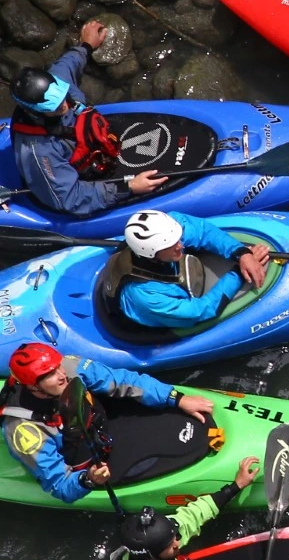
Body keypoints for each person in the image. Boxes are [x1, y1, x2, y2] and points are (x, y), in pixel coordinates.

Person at [2, 342, 215, 504]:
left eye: (57, 366)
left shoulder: (68, 366)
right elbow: (59, 485)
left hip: (101, 426)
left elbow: (123, 380)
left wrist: (175, 398)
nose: (61, 375)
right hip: (89, 462)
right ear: (33, 386)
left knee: (185, 424)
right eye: (49, 374)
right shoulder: (24, 431)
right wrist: (88, 479)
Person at [10, 20, 166, 217]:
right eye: (55, 107)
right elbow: (69, 198)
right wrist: (129, 187)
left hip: (96, 147)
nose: (64, 106)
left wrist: (86, 45)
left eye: (62, 97)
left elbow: (68, 64)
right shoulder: (39, 153)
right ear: (36, 112)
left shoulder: (57, 84)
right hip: (77, 183)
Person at [109, 454, 261, 560]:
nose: (177, 542)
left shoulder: (160, 536)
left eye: (174, 537)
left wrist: (236, 485)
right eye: (170, 545)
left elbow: (194, 514)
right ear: (152, 559)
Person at [117, 210, 273, 330]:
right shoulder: (147, 296)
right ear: (151, 254)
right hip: (158, 318)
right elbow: (200, 311)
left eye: (178, 238)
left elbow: (202, 231)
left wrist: (242, 253)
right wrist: (238, 273)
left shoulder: (168, 229)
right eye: (171, 245)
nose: (180, 245)